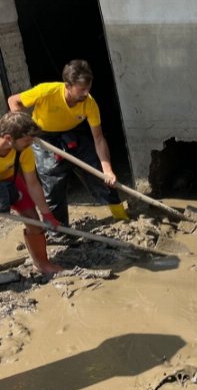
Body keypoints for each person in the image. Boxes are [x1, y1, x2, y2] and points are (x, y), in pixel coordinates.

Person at [7, 59, 128, 227]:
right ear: (68, 85)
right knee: (53, 180)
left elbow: (99, 139)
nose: (86, 94)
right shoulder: (46, 91)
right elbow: (14, 100)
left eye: (88, 89)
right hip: (44, 137)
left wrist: (108, 170)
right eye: (81, 90)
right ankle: (59, 230)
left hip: (72, 132)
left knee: (98, 172)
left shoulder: (89, 103)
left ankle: (121, 216)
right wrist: (24, 128)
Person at [0, 112, 62, 274]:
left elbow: (33, 184)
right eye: (27, 140)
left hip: (11, 181)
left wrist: (47, 214)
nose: (31, 143)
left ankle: (42, 264)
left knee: (34, 220)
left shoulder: (23, 150)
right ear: (8, 139)